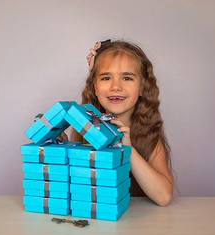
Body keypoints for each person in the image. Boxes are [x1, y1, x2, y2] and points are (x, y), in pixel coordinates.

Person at [71, 39, 173, 207]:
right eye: (105, 78)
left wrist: (127, 149)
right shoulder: (83, 130)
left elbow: (163, 196)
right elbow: (76, 190)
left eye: (126, 78)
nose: (115, 86)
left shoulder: (149, 135)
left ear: (142, 87)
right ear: (95, 87)